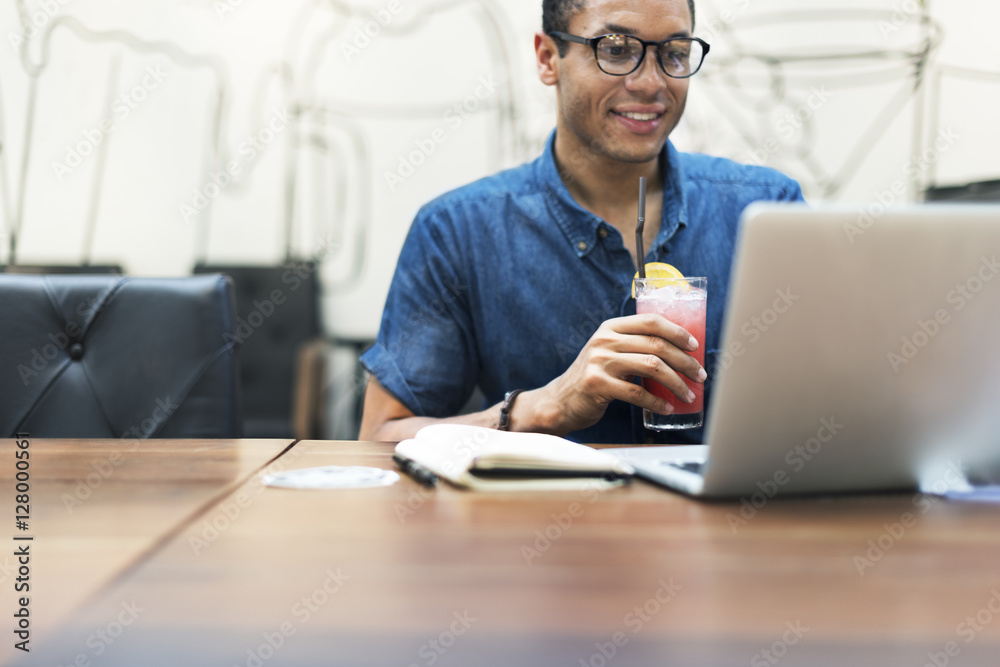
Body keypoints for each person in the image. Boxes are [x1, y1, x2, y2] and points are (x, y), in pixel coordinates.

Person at [359, 0, 804, 444]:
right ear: (548, 59)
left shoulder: (767, 210)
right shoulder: (456, 230)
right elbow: (380, 437)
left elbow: (836, 406)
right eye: (615, 49)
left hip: (730, 515)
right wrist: (543, 407)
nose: (651, 84)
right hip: (537, 513)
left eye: (674, 53)